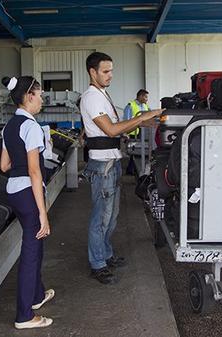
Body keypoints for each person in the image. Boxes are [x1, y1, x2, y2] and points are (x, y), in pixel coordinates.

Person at [80, 52, 164, 284]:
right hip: (102, 165)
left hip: (113, 160)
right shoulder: (91, 97)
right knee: (101, 217)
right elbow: (111, 130)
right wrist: (141, 117)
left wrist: (148, 120)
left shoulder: (102, 95)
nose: (110, 76)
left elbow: (117, 128)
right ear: (92, 72)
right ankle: (97, 264)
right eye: (105, 71)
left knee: (112, 215)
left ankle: (105, 254)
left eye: (111, 71)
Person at [0, 75, 54, 329]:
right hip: (28, 192)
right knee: (31, 254)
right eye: (40, 95)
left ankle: (37, 296)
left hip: (13, 190)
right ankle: (24, 316)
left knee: (36, 244)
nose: (42, 100)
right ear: (29, 96)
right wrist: (43, 212)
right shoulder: (31, 127)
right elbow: (35, 172)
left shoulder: (9, 126)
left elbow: (4, 165)